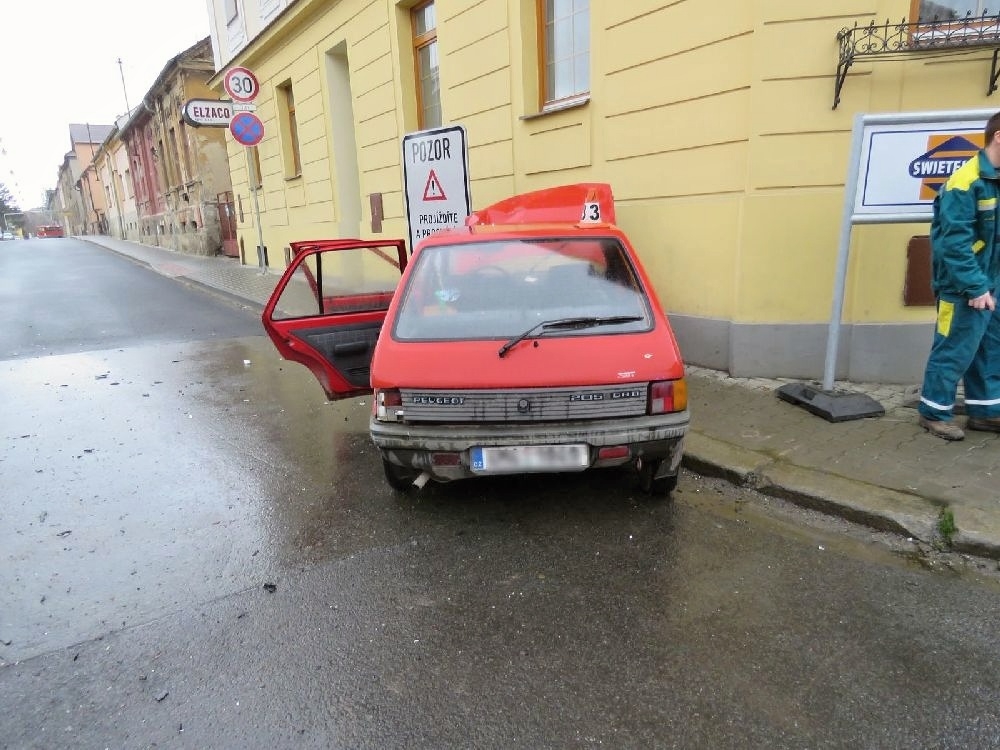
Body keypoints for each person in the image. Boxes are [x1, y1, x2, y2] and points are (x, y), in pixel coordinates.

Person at [918, 111, 1000, 441]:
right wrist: (975, 285)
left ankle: (986, 411)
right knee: (953, 349)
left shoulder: (994, 178)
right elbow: (953, 242)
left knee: (989, 349)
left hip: (990, 282)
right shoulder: (966, 181)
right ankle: (933, 413)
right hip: (963, 286)